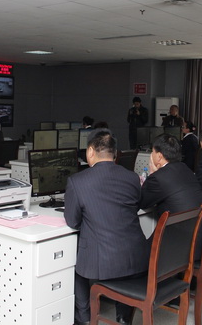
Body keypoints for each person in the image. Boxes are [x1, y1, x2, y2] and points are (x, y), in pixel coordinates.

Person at [64, 129, 149, 325]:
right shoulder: (132, 178)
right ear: (115, 153)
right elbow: (134, 207)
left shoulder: (77, 181)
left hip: (102, 262)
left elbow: (73, 222)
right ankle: (123, 317)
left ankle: (84, 318)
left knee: (78, 264)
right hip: (135, 256)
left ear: (90, 151)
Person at [140, 133, 202, 219]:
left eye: (152, 151)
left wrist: (152, 173)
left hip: (178, 226)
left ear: (159, 156)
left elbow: (142, 202)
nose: (151, 155)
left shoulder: (158, 178)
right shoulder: (184, 168)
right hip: (198, 223)